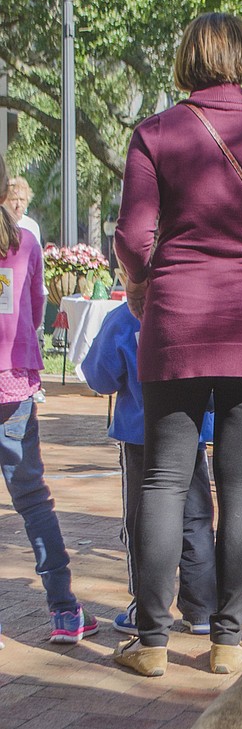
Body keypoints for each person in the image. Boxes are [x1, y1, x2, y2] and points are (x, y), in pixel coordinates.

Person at [113, 13, 242, 678]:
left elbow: (134, 240)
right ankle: (227, 641)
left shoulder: (156, 133)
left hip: (178, 320)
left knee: (163, 479)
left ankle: (153, 642)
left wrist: (141, 287)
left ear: (187, 59)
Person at [0, 153, 98, 645]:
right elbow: (36, 305)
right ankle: (64, 610)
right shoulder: (26, 242)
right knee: (34, 500)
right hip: (13, 383)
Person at [80, 296, 217, 636]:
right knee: (195, 518)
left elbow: (100, 377)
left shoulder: (123, 316)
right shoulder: (195, 307)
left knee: (142, 519)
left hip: (139, 432)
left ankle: (145, 606)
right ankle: (202, 608)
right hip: (190, 431)